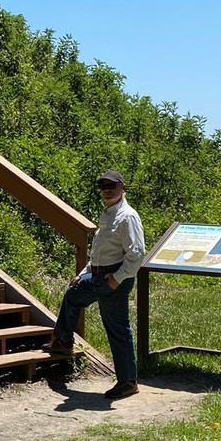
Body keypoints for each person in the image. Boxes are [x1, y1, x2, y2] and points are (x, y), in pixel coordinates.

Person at [43, 170, 145, 399]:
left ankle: (128, 381)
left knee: (117, 329)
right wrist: (83, 273)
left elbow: (137, 254)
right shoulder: (109, 214)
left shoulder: (127, 216)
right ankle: (63, 342)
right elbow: (99, 253)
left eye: (112, 185)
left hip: (113, 280)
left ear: (123, 187)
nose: (107, 189)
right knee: (73, 295)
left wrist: (117, 279)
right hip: (97, 276)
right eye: (103, 185)